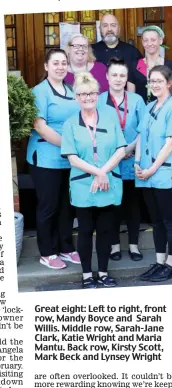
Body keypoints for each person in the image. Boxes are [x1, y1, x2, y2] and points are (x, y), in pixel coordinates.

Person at [61, 72, 126, 289]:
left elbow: (121, 149)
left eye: (91, 93)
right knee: (86, 231)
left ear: (98, 94)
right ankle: (87, 274)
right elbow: (72, 158)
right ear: (76, 97)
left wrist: (103, 172)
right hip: (83, 185)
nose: (87, 97)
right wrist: (97, 173)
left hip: (109, 183)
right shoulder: (70, 123)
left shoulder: (110, 117)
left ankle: (104, 272)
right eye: (82, 94)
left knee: (107, 230)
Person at [26, 48, 80, 269]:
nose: (60, 67)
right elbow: (40, 126)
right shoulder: (39, 92)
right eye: (55, 63)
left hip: (68, 159)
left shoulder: (70, 90)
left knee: (67, 205)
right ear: (46, 66)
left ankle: (66, 247)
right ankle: (47, 252)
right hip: (46, 157)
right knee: (48, 206)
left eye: (63, 63)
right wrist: (69, 147)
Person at [135, 65, 172, 282]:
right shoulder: (149, 107)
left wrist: (151, 169)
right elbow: (140, 138)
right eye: (151, 81)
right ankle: (159, 261)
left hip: (163, 173)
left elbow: (171, 142)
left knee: (169, 221)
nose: (154, 84)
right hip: (145, 173)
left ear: (168, 83)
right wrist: (137, 163)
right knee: (156, 222)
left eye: (159, 81)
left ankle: (171, 264)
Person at [98, 57, 146, 261]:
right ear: (107, 77)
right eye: (114, 75)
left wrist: (131, 148)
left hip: (133, 159)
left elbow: (144, 129)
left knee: (132, 205)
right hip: (109, 162)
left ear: (127, 78)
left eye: (122, 75)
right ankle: (114, 245)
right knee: (112, 206)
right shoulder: (98, 100)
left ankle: (134, 245)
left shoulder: (136, 100)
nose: (118, 79)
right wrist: (116, 151)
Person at [92, 13, 142, 91]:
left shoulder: (132, 52)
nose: (109, 29)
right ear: (100, 29)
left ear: (119, 28)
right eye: (105, 25)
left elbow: (141, 81)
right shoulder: (91, 51)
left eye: (113, 25)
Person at [129, 25, 172, 103]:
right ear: (142, 42)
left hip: (163, 111)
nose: (149, 43)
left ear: (160, 41)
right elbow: (130, 96)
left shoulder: (170, 66)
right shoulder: (134, 66)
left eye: (153, 40)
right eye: (145, 40)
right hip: (140, 111)